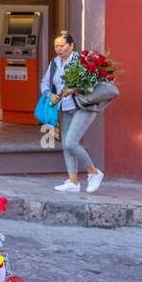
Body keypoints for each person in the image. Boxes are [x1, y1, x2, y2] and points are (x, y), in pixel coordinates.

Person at [41, 31, 102, 193]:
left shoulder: (82, 61)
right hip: (65, 108)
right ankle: (73, 182)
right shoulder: (54, 63)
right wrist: (50, 94)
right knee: (66, 146)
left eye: (62, 45)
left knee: (71, 143)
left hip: (83, 107)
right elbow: (44, 83)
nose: (59, 49)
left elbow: (93, 83)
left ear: (71, 46)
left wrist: (74, 89)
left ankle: (94, 172)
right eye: (56, 46)